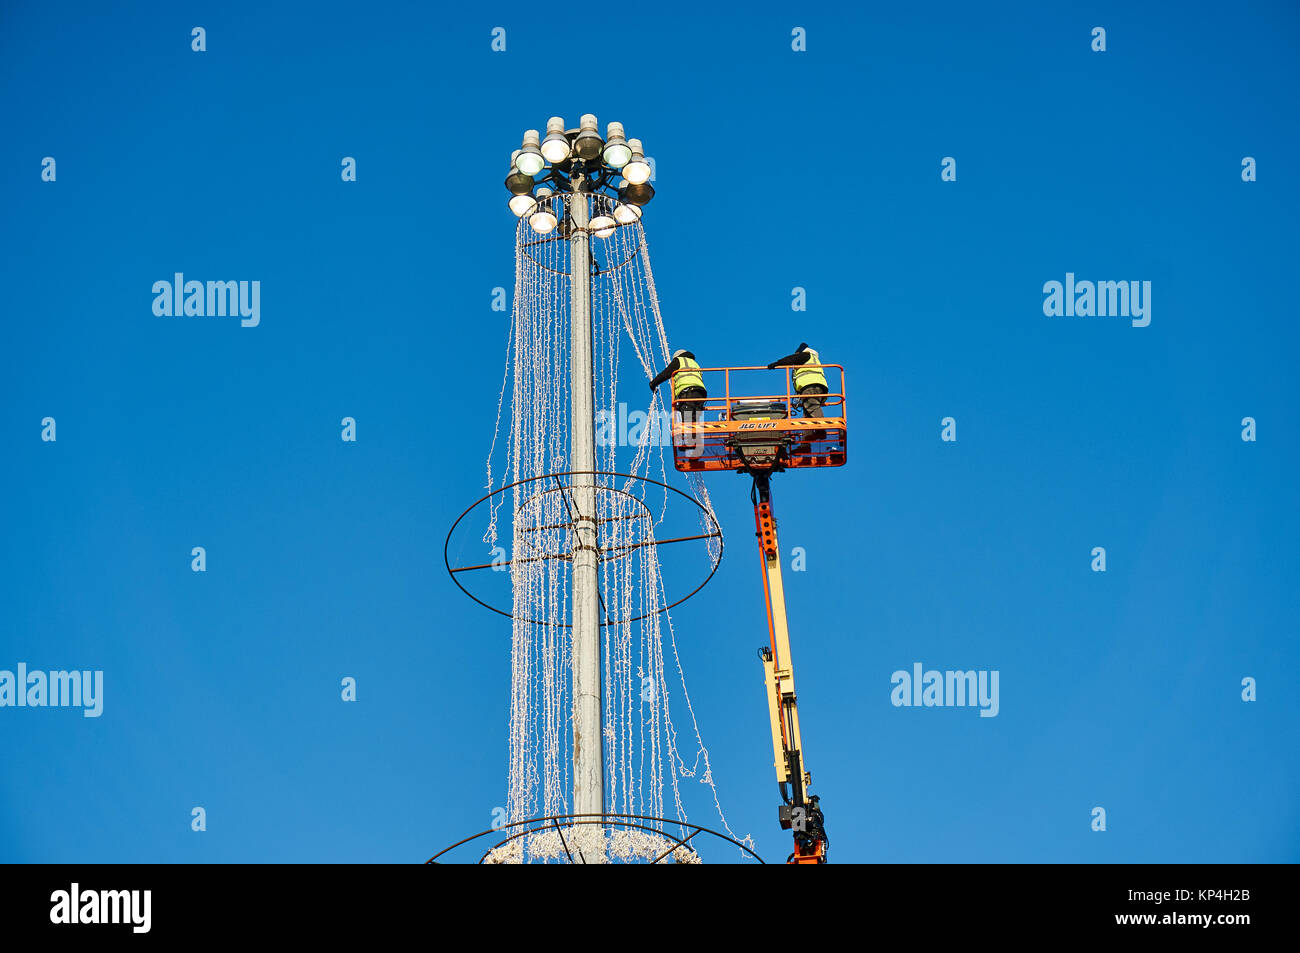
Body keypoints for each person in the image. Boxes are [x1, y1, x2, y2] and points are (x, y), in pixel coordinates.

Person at [767, 342, 829, 418]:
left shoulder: (806, 355)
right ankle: (810, 429)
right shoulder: (813, 359)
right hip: (819, 387)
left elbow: (790, 359)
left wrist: (776, 364)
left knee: (811, 405)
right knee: (807, 412)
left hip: (810, 386)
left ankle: (821, 427)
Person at [649, 349, 707, 424]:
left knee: (688, 422)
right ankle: (693, 435)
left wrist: (653, 383)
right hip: (700, 393)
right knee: (695, 422)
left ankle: (690, 434)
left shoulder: (679, 360)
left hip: (688, 392)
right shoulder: (695, 363)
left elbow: (666, 373)